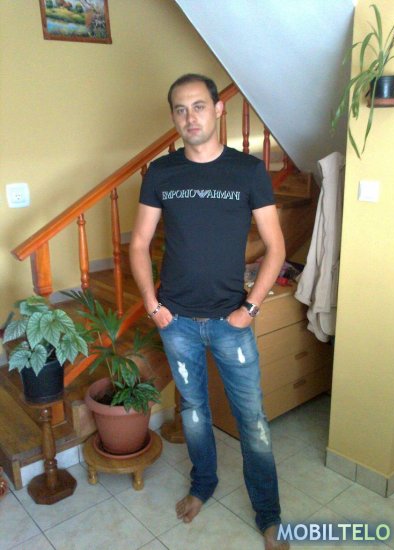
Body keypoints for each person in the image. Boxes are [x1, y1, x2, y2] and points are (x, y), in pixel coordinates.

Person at [129, 73, 289, 550]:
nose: (190, 117)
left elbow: (276, 248)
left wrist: (251, 308)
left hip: (230, 323)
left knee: (252, 421)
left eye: (199, 106)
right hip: (176, 322)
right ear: (173, 117)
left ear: (219, 110)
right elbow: (138, 243)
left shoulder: (248, 171)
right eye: (180, 109)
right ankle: (203, 485)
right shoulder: (162, 173)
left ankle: (269, 514)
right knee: (195, 412)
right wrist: (152, 305)